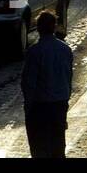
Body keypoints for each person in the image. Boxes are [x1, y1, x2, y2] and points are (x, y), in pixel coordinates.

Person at [21, 11, 73, 158]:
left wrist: (28, 106)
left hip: (40, 106)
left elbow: (29, 82)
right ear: (54, 27)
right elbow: (68, 78)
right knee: (58, 145)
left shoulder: (35, 52)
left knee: (39, 147)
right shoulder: (65, 50)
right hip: (59, 104)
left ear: (38, 28)